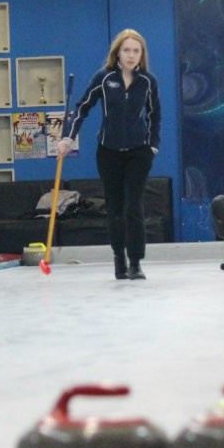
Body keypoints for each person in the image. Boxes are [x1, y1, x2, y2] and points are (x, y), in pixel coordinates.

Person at [56, 29, 162, 280]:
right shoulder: (104, 78)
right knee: (114, 208)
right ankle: (119, 259)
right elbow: (82, 107)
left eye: (136, 51)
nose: (131, 55)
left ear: (142, 55)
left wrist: (152, 145)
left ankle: (135, 262)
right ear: (117, 53)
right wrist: (68, 137)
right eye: (126, 50)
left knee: (133, 206)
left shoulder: (148, 81)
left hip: (138, 152)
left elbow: (154, 114)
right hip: (108, 151)